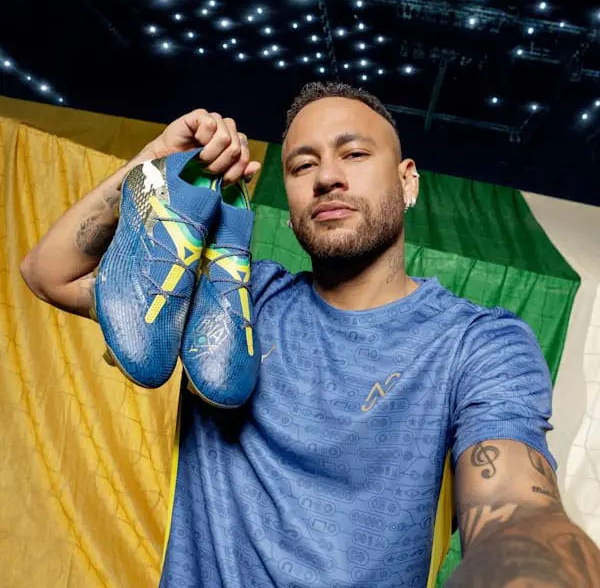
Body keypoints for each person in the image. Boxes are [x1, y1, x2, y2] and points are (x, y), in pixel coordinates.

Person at [21, 82, 600, 587]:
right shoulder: (233, 296)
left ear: (408, 182)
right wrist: (155, 166)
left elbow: (514, 506)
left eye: (354, 153)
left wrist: (536, 568)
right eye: (302, 165)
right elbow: (49, 273)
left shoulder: (477, 342)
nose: (327, 177)